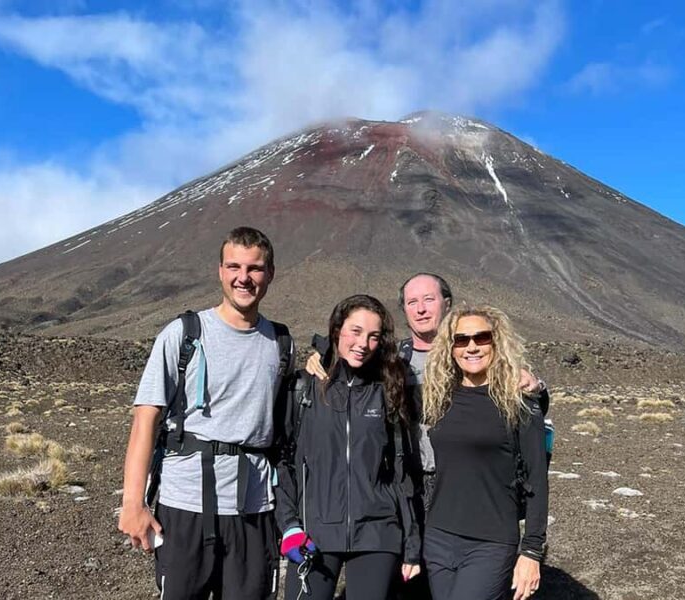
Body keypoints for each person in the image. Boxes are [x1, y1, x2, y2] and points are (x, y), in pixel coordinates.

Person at [306, 273, 546, 600]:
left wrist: (536, 386)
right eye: (411, 302)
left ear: (447, 304)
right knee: (408, 585)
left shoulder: (497, 381)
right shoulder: (394, 360)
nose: (420, 309)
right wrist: (320, 356)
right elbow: (351, 370)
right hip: (412, 487)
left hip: (475, 496)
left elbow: (528, 442)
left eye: (429, 300)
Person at [118, 226, 292, 600]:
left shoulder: (281, 344)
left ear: (270, 273)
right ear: (220, 271)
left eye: (255, 268)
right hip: (184, 506)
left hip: (254, 508)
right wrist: (133, 503)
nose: (243, 277)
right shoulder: (183, 334)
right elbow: (145, 420)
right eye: (234, 266)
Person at [274, 295, 421, 600]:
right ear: (337, 329)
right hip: (313, 533)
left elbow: (400, 474)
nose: (363, 343)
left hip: (377, 534)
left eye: (373, 336)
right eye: (355, 331)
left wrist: (411, 544)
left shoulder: (388, 391)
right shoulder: (305, 388)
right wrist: (289, 526)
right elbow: (285, 462)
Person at [422, 305, 548, 600]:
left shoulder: (520, 403)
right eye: (461, 340)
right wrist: (321, 361)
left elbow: (538, 481)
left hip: (490, 543)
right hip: (438, 538)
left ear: (497, 342)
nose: (472, 347)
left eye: (482, 338)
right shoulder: (438, 398)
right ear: (450, 348)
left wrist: (531, 550)